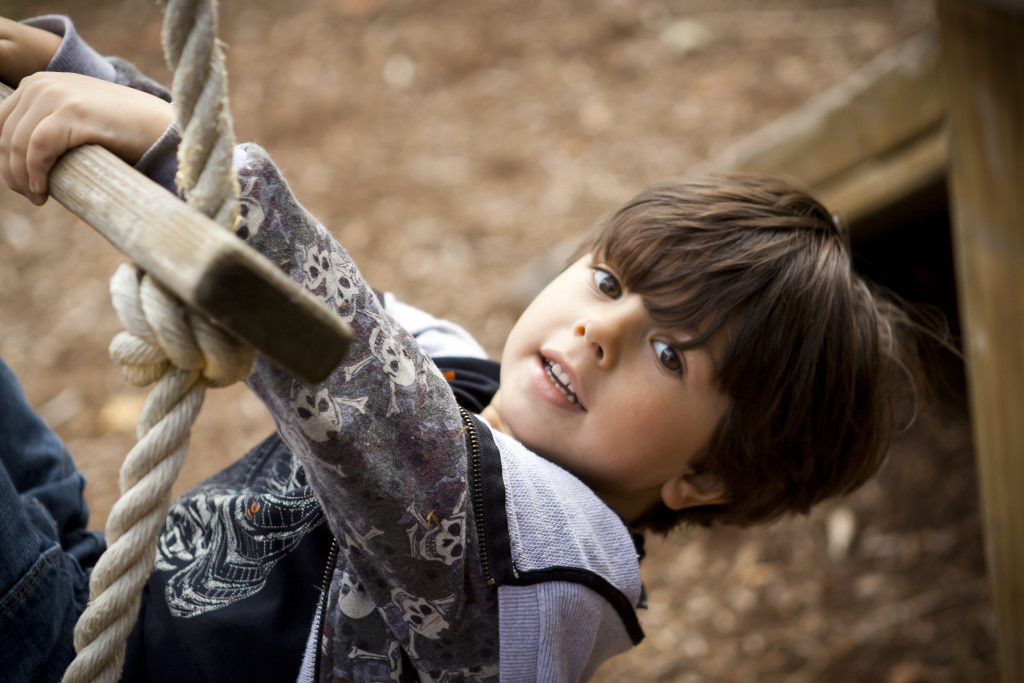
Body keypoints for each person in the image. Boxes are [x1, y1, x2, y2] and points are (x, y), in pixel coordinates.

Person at [0, 14, 932, 683]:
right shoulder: (464, 376)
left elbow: (366, 390)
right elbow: (330, 293)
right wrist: (96, 83)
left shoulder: (551, 579)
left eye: (671, 356)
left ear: (704, 476)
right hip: (99, 597)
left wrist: (163, 144)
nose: (599, 332)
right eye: (609, 284)